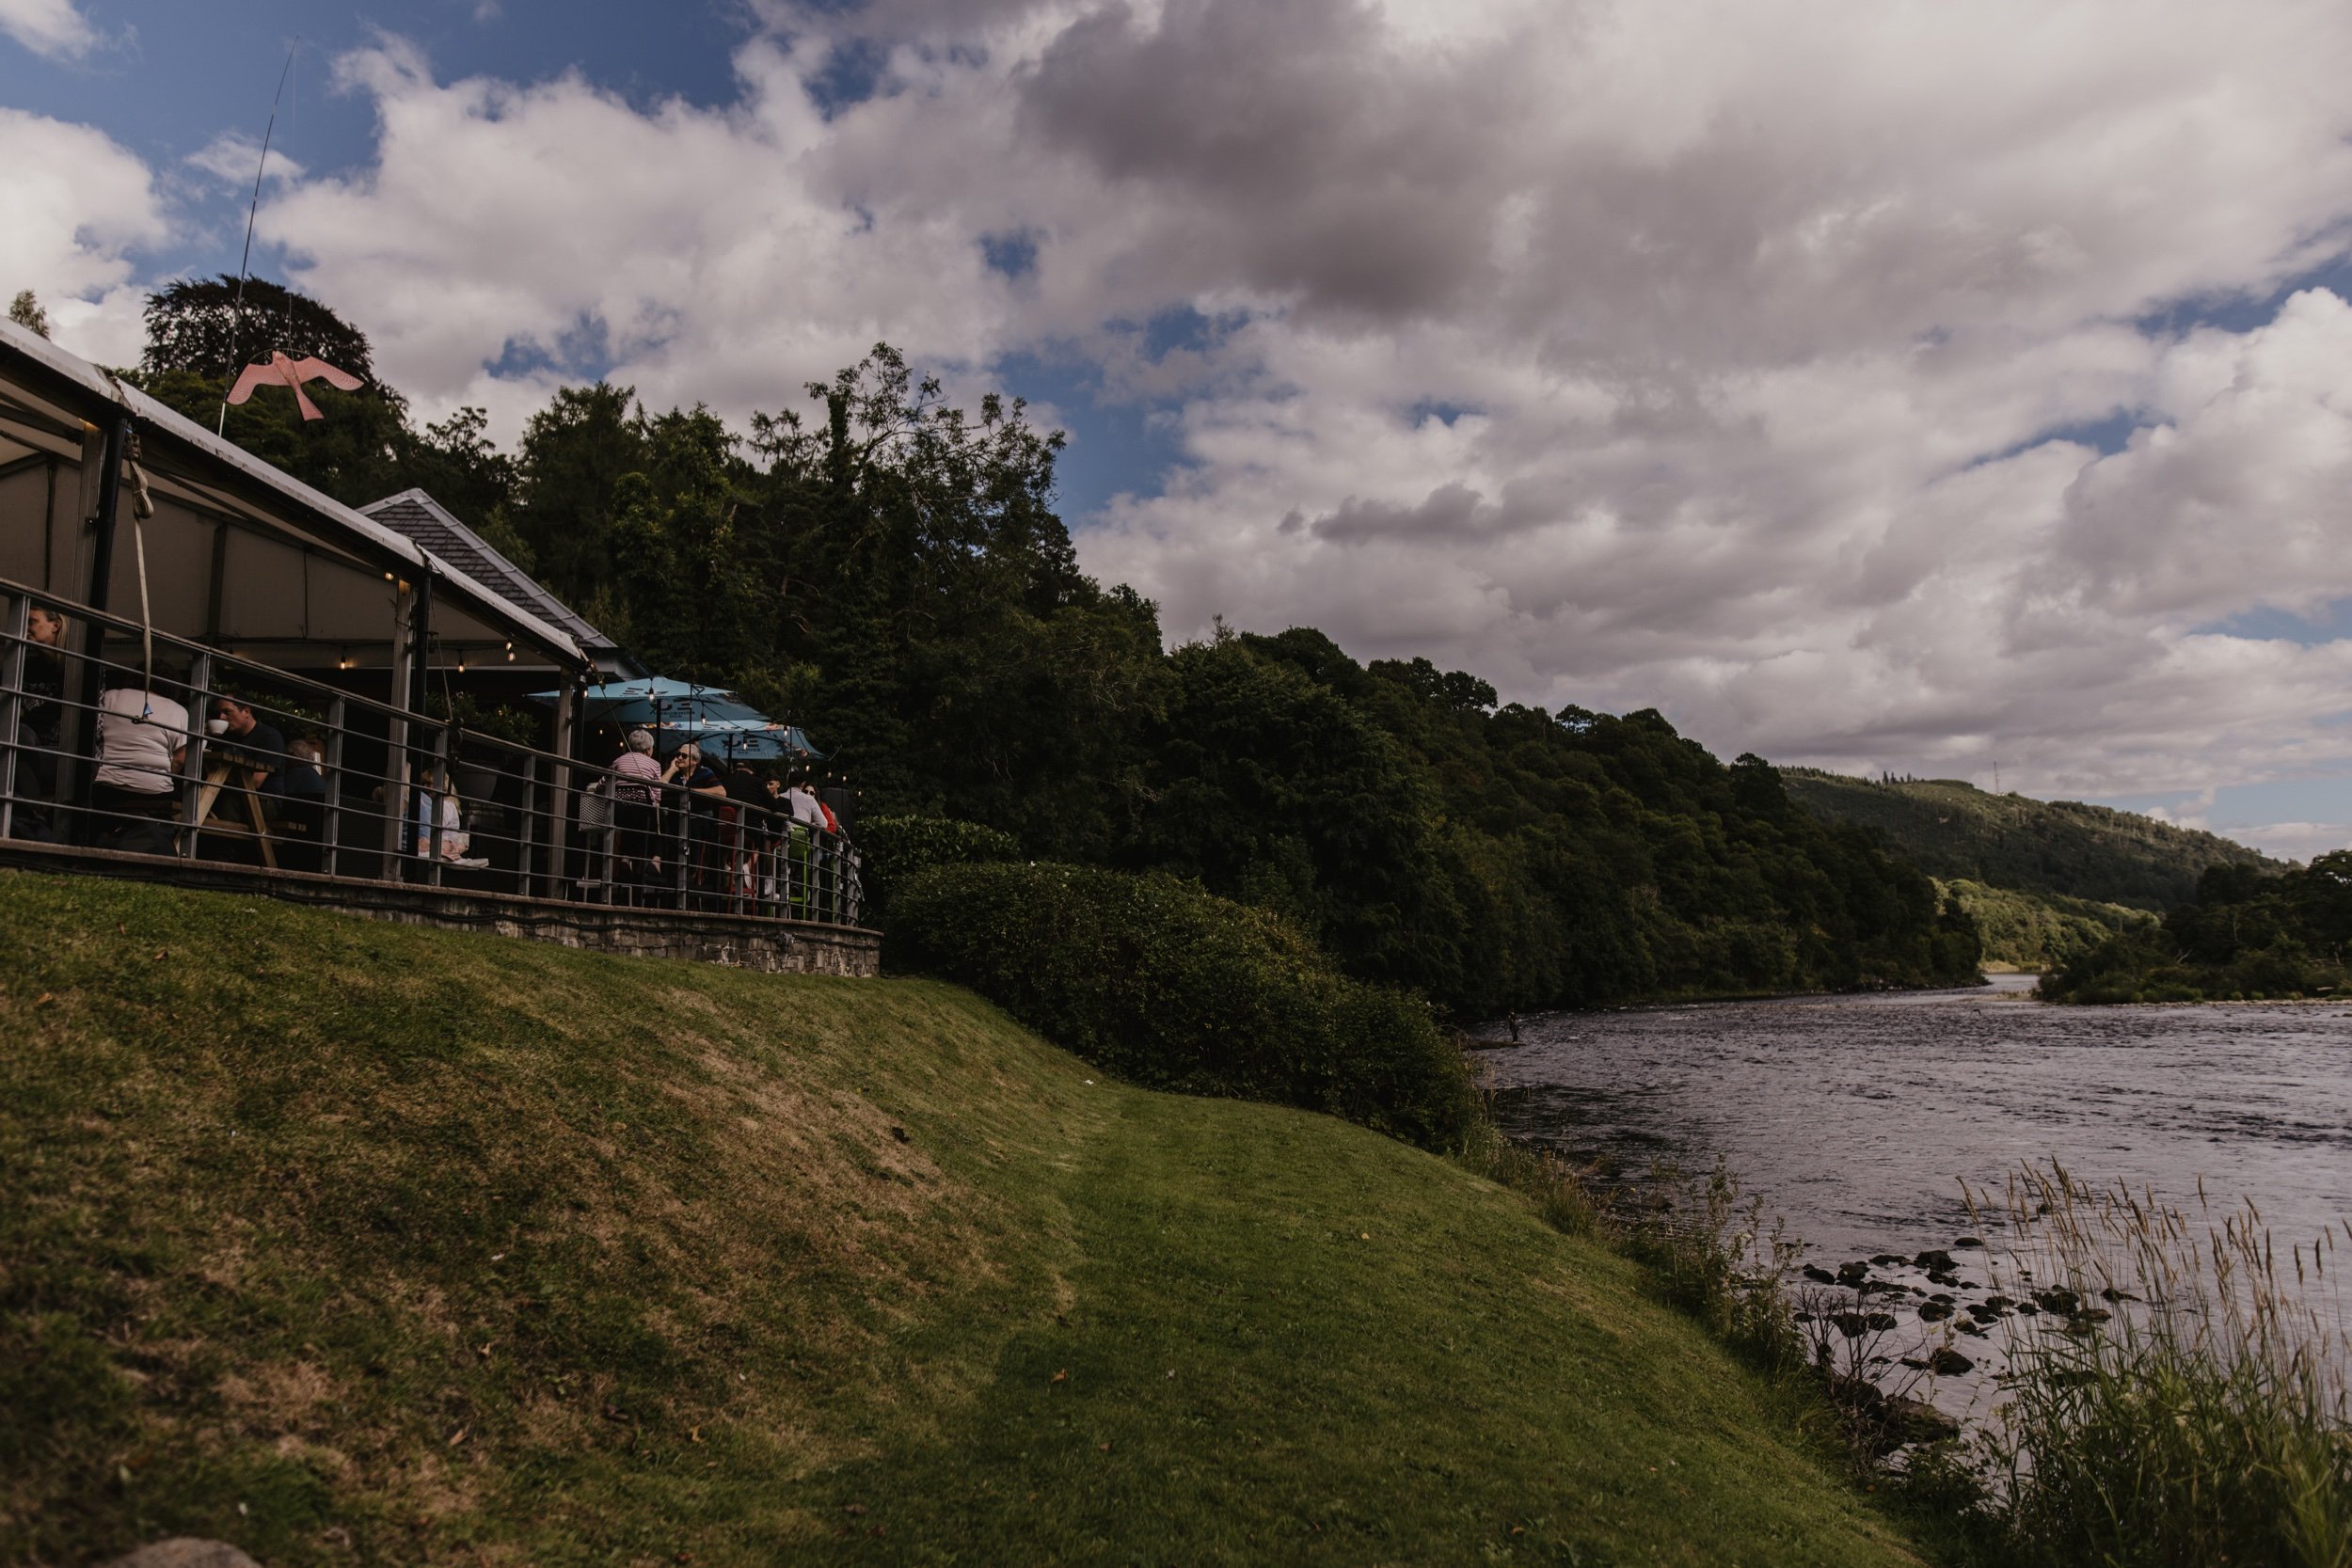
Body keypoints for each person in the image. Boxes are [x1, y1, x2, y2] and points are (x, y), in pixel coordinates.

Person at [90, 678, 188, 853]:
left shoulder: (110, 696)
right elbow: (180, 759)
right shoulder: (178, 710)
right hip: (154, 791)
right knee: (182, 799)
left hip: (105, 785)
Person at [610, 729, 664, 897]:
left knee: (630, 823)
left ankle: (625, 858)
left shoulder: (618, 761)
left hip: (619, 812)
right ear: (648, 749)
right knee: (661, 822)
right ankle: (655, 860)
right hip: (642, 814)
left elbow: (605, 782)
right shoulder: (655, 764)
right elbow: (657, 796)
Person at [276, 736, 328, 871]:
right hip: (315, 839)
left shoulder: (294, 776)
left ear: (292, 756)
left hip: (296, 834)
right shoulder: (317, 778)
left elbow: (282, 800)